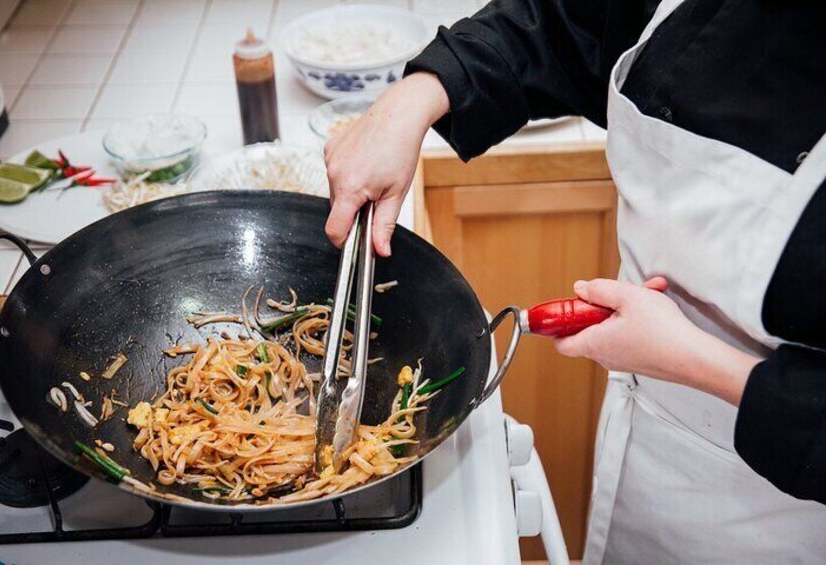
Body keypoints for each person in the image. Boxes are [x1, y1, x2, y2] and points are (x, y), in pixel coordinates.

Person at [322, 0, 826, 562]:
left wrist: (693, 360)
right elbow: (568, 24)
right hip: (645, 421)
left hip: (788, 510)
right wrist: (411, 99)